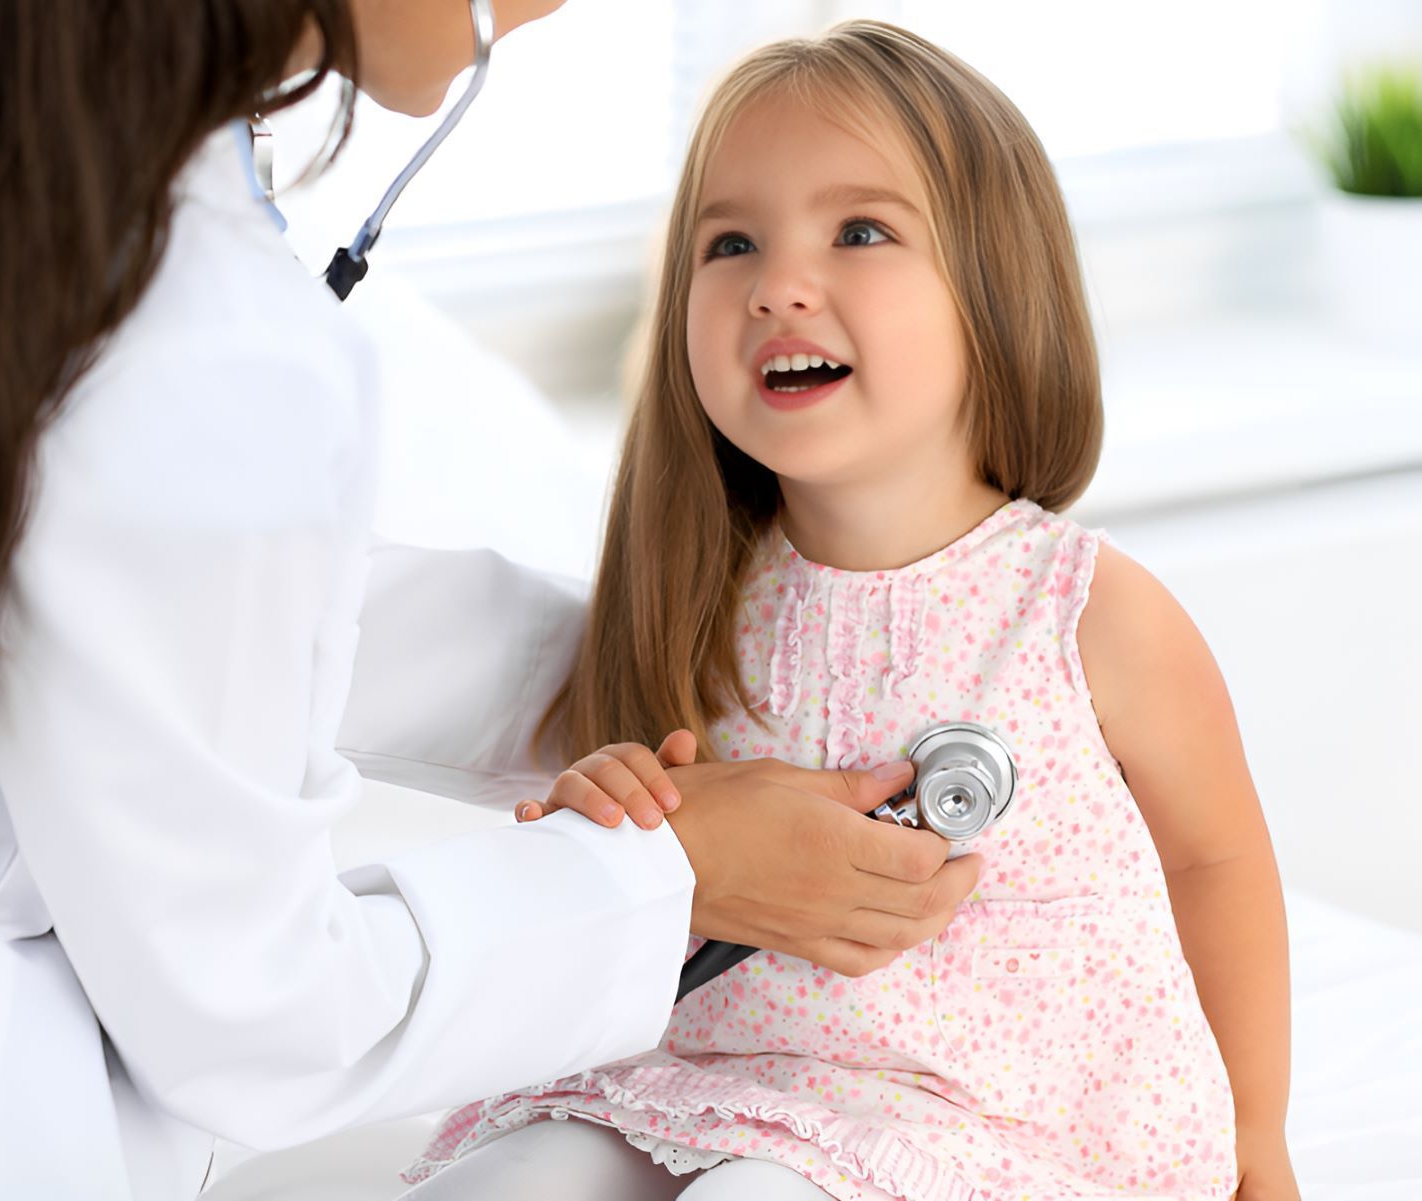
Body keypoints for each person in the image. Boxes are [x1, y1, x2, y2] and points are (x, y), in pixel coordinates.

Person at [0, 4, 985, 1200]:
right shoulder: (192, 330)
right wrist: (679, 880)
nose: (549, 11)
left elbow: (99, 590)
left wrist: (631, 673)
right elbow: (256, 1014)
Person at [397, 21, 1300, 1201]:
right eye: (729, 243)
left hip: (972, 1122)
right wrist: (602, 820)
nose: (775, 284)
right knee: (503, 1182)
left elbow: (1216, 859)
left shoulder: (1084, 611)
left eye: (860, 230)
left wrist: (1257, 1144)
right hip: (704, 1079)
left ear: (993, 290)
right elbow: (647, 881)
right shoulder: (688, 594)